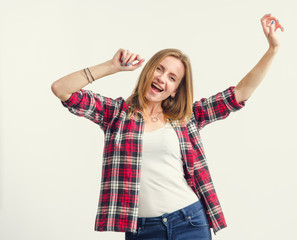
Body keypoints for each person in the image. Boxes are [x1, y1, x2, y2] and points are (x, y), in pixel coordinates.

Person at [51, 13, 284, 240]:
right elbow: (61, 89)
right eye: (160, 69)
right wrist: (112, 66)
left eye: (172, 78)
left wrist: (272, 49)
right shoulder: (116, 114)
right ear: (148, 70)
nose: (163, 78)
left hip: (190, 221)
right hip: (142, 230)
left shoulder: (186, 118)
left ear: (175, 90)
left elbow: (240, 93)